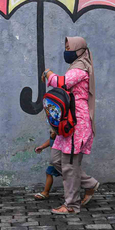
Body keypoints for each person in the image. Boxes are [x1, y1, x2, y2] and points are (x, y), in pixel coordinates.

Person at [42, 36, 99, 215]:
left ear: (80, 49)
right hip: (68, 122)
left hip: (77, 123)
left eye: (70, 47)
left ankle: (72, 206)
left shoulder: (81, 68)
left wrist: (48, 73)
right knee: (57, 160)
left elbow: (62, 82)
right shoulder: (75, 66)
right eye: (66, 47)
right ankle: (90, 185)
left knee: (69, 165)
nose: (66, 50)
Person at [33, 129, 60, 200]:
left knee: (69, 176)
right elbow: (50, 140)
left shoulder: (62, 128)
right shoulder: (54, 128)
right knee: (49, 172)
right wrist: (42, 146)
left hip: (61, 158)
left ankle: (88, 186)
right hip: (54, 159)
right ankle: (46, 192)